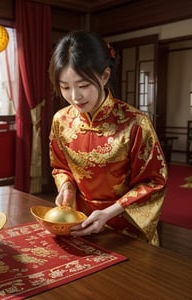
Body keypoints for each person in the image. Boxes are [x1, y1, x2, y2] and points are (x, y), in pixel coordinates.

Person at [48, 30, 167, 246]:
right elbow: (60, 167)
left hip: (126, 227)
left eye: (83, 85)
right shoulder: (61, 120)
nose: (75, 97)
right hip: (79, 222)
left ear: (104, 76)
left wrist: (109, 212)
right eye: (65, 87)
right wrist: (67, 188)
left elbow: (154, 181)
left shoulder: (135, 122)